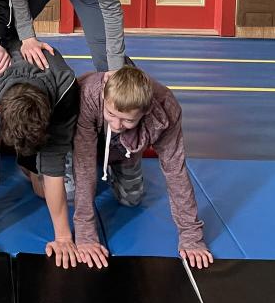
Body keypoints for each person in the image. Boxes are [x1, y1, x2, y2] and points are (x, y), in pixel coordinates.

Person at [73, 64, 213, 271]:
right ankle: (32, 170)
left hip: (124, 150)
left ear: (145, 112)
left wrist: (191, 235)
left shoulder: (166, 110)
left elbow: (176, 171)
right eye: (111, 114)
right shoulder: (90, 94)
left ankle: (121, 161)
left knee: (131, 199)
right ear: (104, 96)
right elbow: (84, 164)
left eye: (127, 120)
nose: (116, 125)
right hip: (85, 141)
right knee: (69, 192)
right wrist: (85, 233)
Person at [0, 40, 80, 271]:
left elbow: (53, 164)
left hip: (37, 119)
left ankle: (27, 163)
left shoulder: (65, 88)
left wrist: (63, 237)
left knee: (43, 190)